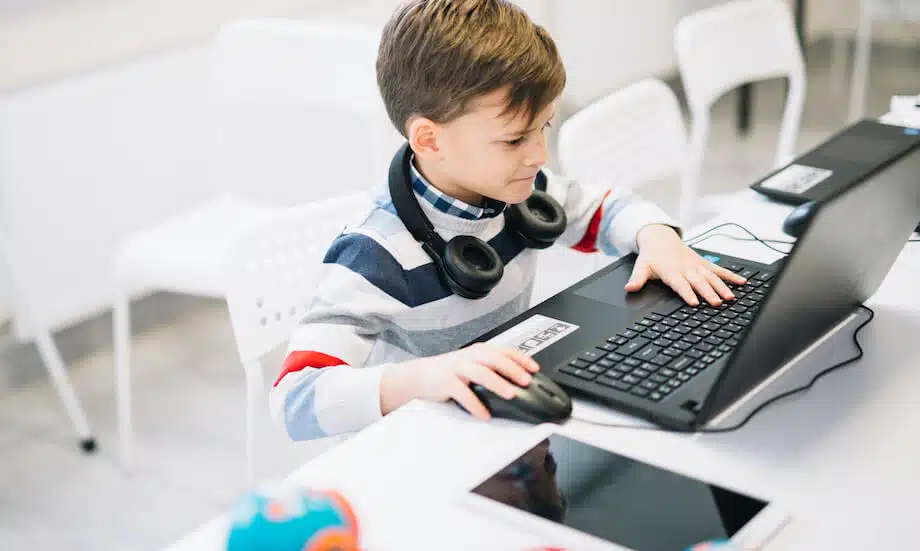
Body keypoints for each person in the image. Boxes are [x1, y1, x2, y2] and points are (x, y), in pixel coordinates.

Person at [270, 0, 746, 441]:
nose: (538, 155)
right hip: (418, 439)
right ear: (430, 140)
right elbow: (293, 402)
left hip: (494, 423)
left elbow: (607, 208)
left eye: (544, 128)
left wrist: (657, 237)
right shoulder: (372, 253)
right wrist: (426, 376)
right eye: (514, 139)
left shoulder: (516, 190)